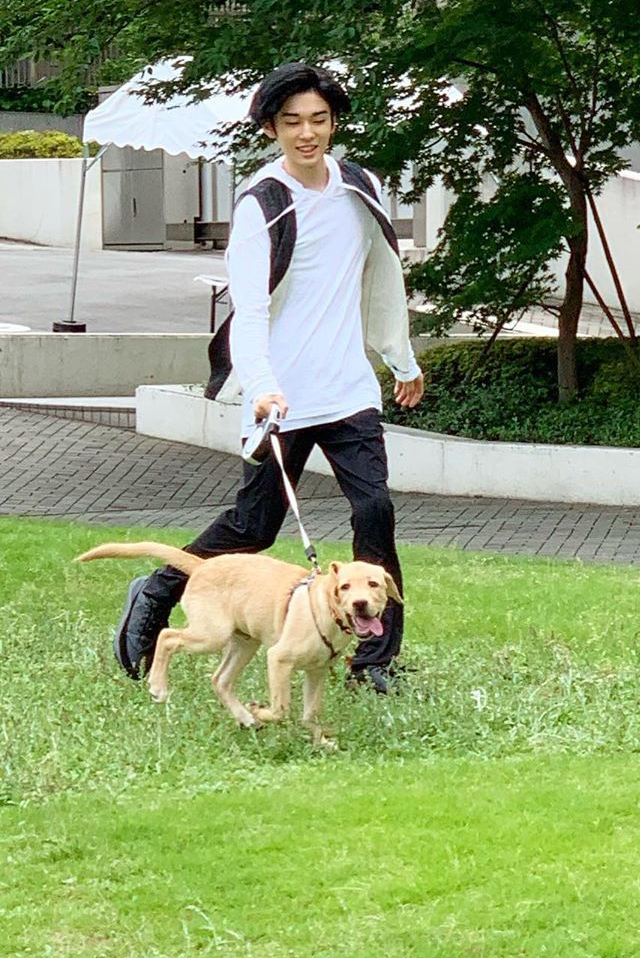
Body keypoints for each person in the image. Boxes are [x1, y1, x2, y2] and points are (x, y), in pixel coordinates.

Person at [113, 61, 424, 694]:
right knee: (253, 528)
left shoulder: (361, 186)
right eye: (292, 122)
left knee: (376, 510)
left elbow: (382, 277)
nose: (307, 133)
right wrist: (261, 386)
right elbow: (249, 311)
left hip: (348, 389)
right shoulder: (264, 203)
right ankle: (157, 591)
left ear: (334, 124)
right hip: (281, 396)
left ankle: (372, 659)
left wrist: (401, 358)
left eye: (319, 120)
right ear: (271, 128)